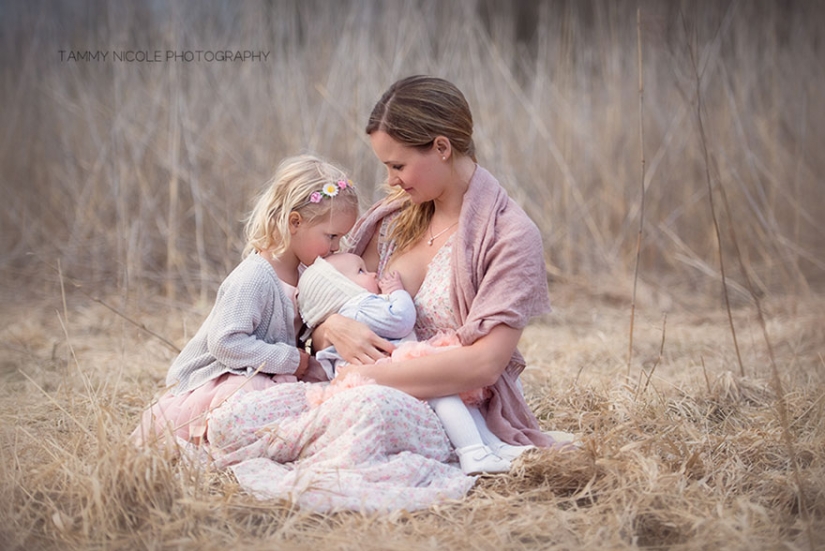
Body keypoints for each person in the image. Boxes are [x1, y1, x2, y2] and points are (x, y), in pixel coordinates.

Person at [201, 75, 563, 513]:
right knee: (234, 418)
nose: (390, 181)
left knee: (368, 411)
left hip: (442, 403)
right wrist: (334, 327)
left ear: (441, 147)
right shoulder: (390, 222)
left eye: (398, 166)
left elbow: (485, 364)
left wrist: (366, 378)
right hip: (348, 386)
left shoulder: (510, 236)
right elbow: (323, 316)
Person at [132, 153, 359, 446]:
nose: (336, 247)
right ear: (294, 222)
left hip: (269, 372)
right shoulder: (255, 277)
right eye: (331, 236)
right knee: (249, 402)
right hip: (229, 375)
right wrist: (289, 360)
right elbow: (225, 342)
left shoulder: (306, 275)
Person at [297, 253, 532, 474]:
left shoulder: (350, 313)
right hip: (388, 370)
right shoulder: (360, 307)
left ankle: (493, 446)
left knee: (456, 397)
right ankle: (473, 452)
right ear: (340, 288)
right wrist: (396, 292)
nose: (373, 274)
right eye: (361, 271)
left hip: (378, 375)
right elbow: (401, 320)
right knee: (446, 396)